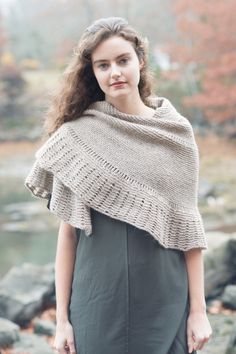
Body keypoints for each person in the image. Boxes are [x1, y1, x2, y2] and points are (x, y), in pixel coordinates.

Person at [24, 16, 213, 354]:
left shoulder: (176, 134)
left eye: (123, 61)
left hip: (165, 302)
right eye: (103, 65)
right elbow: (68, 235)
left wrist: (198, 312)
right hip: (97, 304)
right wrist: (63, 320)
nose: (115, 72)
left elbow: (189, 230)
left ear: (140, 61)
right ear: (92, 73)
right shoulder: (76, 137)